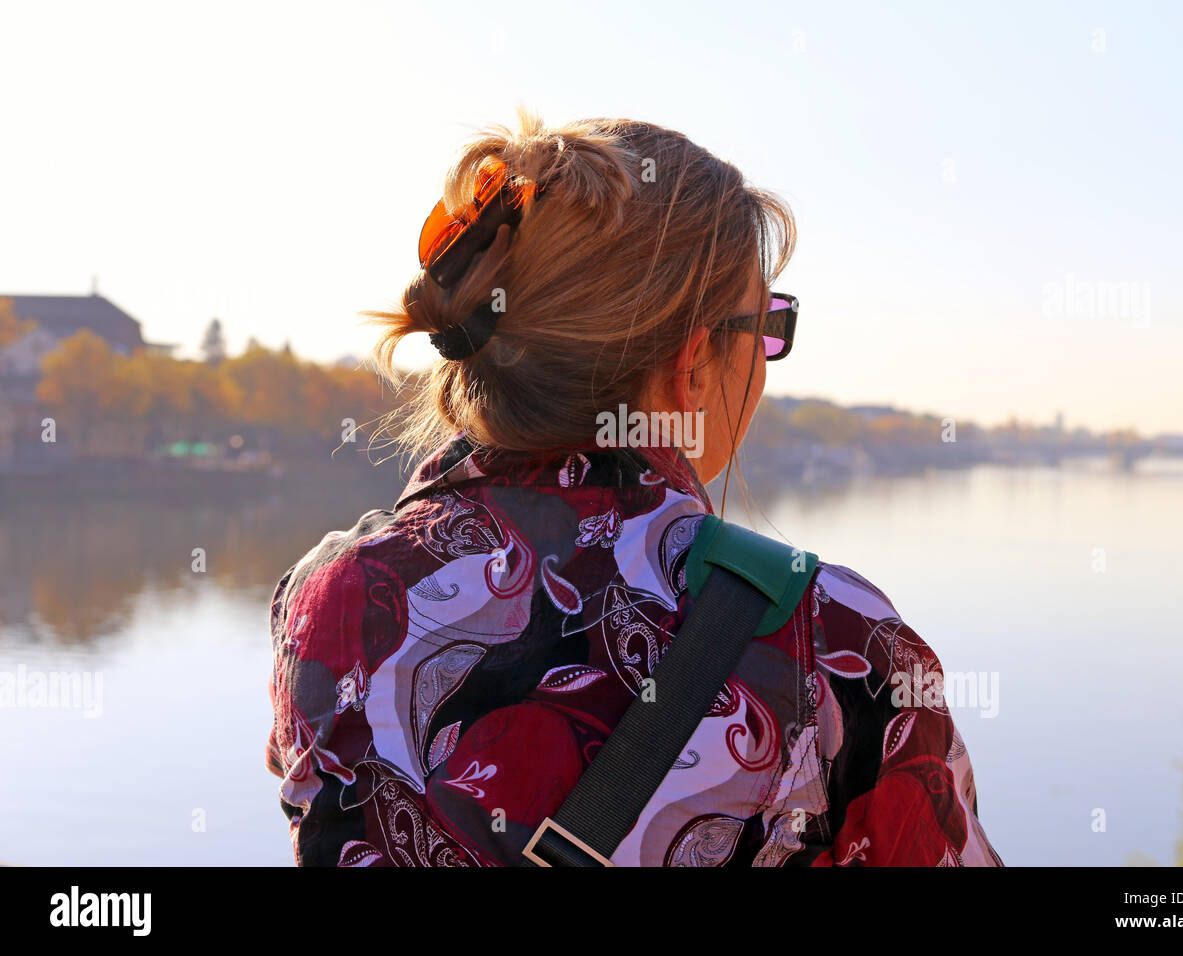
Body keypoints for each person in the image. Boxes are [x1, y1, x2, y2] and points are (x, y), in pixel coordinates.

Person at [264, 110, 1002, 867]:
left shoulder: (326, 599)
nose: (767, 360)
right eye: (765, 325)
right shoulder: (832, 640)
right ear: (691, 365)